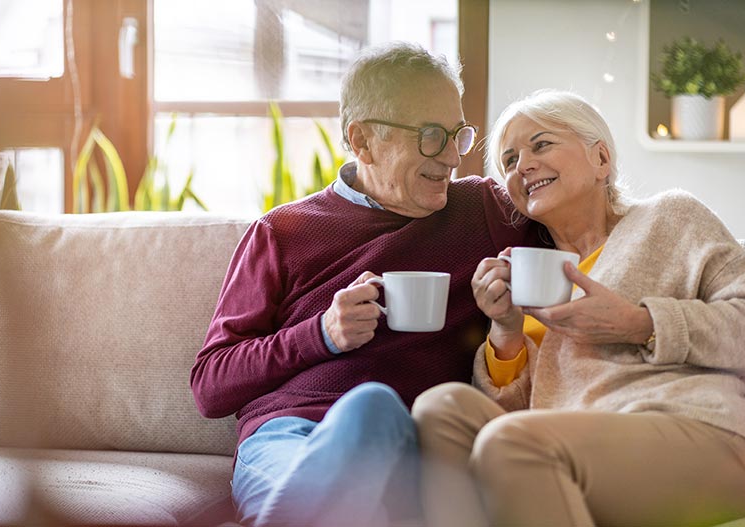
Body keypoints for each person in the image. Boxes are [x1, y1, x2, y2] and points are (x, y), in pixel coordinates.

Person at [189, 42, 544, 527]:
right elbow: (211, 386)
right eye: (430, 135)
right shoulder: (282, 232)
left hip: (415, 446)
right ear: (362, 141)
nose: (451, 158)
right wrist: (321, 334)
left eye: (457, 135)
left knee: (378, 414)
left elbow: (587, 222)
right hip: (290, 438)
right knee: (367, 417)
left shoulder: (483, 211)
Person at [412, 89, 745, 527]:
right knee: (440, 407)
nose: (523, 165)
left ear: (601, 159)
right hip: (567, 444)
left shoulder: (670, 217)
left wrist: (642, 324)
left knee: (514, 443)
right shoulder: (531, 276)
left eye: (540, 145)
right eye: (510, 161)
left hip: (702, 434)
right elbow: (529, 411)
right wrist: (506, 329)